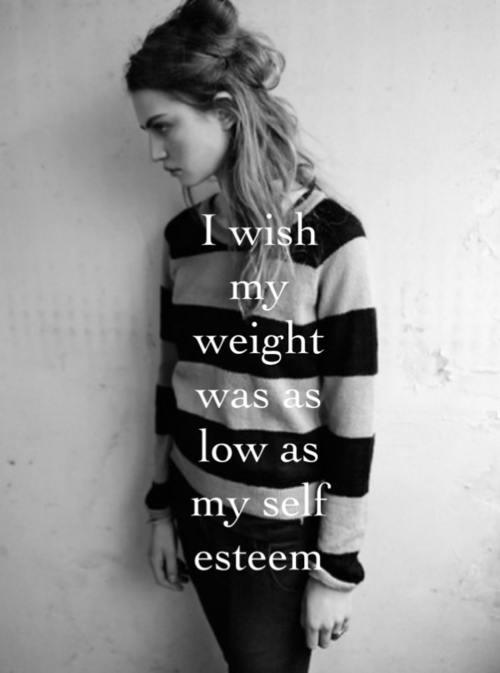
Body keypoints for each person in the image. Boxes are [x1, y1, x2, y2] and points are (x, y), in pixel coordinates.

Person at [125, 1, 377, 671]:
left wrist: (336, 569)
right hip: (192, 498)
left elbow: (352, 417)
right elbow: (170, 381)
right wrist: (161, 510)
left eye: (163, 127)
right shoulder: (184, 238)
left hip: (276, 531)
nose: (154, 152)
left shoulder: (330, 239)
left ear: (225, 113)